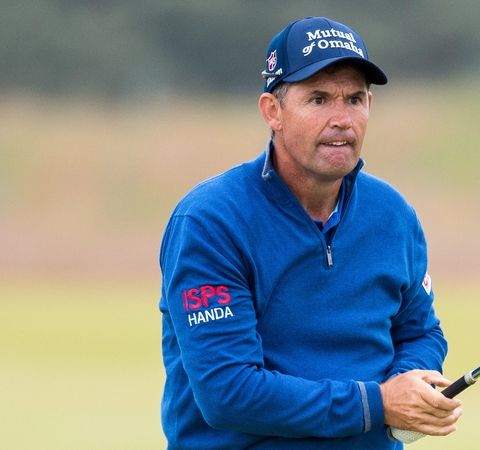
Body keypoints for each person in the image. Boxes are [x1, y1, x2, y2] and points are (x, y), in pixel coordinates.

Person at [159, 16, 462, 449]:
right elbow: (228, 393)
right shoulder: (211, 222)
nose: (342, 119)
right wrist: (378, 404)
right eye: (319, 99)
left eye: (355, 98)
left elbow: (418, 332)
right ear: (273, 112)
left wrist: (409, 386)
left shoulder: (391, 213)